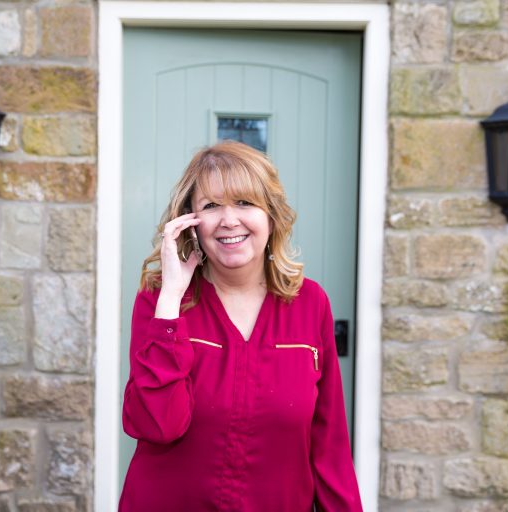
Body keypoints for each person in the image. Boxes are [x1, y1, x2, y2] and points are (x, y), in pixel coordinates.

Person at [119, 141, 362, 511]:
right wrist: (170, 301)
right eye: (211, 206)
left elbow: (330, 447)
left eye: (245, 202)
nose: (229, 220)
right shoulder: (160, 301)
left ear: (271, 216)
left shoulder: (310, 304)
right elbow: (158, 425)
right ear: (190, 222)